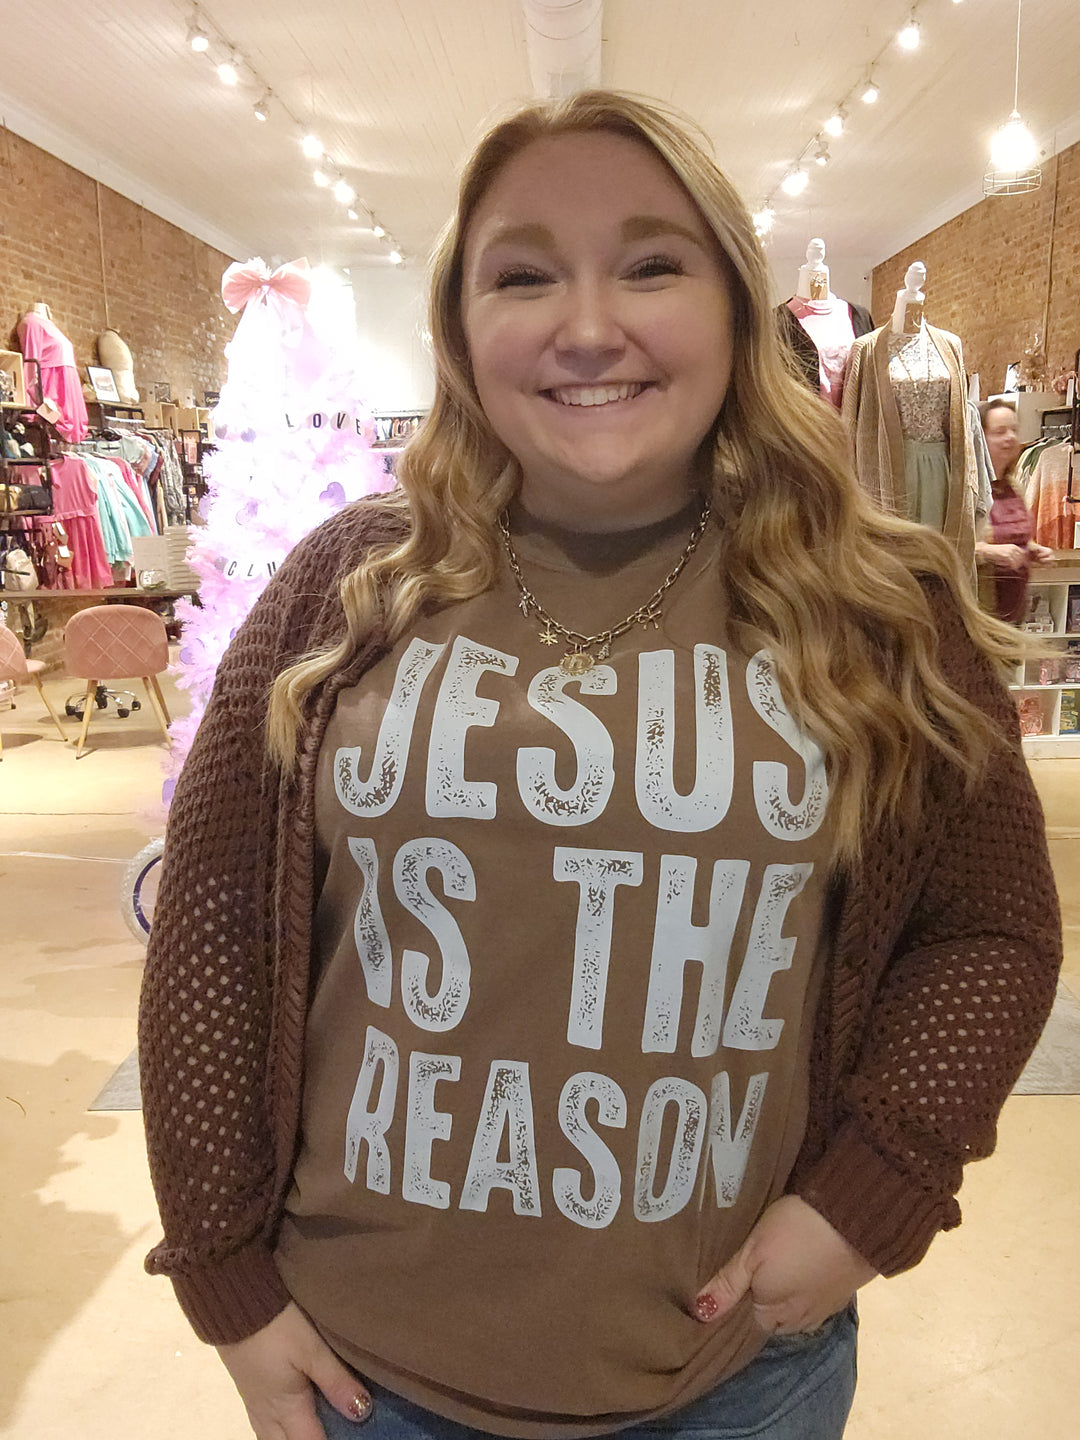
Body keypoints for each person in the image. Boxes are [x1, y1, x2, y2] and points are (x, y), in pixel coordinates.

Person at [139, 91, 1062, 1440]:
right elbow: (215, 929)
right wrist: (225, 1278)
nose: (585, 325)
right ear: (460, 326)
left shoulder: (871, 602)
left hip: (731, 1378)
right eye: (523, 276)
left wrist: (874, 1193)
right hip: (368, 1374)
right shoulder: (347, 588)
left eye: (651, 265)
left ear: (735, 306)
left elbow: (988, 928)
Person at [975, 399, 1054, 622]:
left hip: (1013, 612)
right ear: (980, 437)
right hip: (981, 613)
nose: (1010, 437)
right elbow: (951, 547)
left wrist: (1033, 549)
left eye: (1014, 430)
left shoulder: (1013, 486)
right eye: (1000, 431)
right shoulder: (968, 489)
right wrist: (989, 551)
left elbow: (1017, 538)